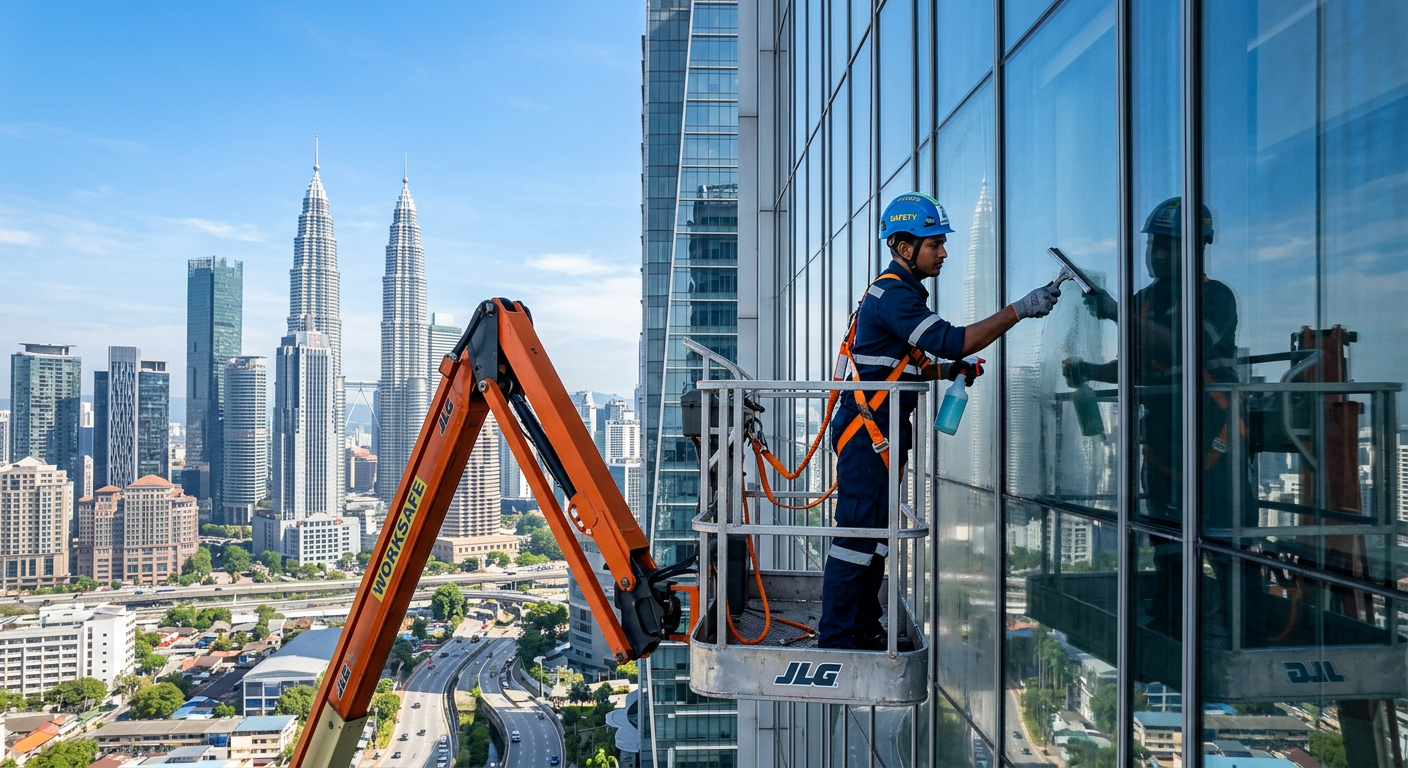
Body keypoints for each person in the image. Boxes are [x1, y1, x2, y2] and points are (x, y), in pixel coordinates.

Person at [818, 192, 1062, 650]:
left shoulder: (900, 294)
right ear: (905, 246)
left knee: (877, 537)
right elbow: (951, 340)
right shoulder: (893, 295)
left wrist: (949, 371)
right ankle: (838, 634)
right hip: (868, 432)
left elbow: (898, 365)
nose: (944, 252)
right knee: (858, 534)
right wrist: (1019, 310)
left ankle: (862, 624)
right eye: (935, 244)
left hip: (880, 430)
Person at [1063, 197, 1243, 639]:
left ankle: (1245, 628)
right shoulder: (1143, 304)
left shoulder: (1214, 297)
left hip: (1212, 444)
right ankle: (1170, 620)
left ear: (1197, 248)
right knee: (1165, 543)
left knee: (1225, 546)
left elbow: (1184, 346)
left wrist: (1116, 312)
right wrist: (1089, 370)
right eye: (1154, 245)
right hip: (1164, 445)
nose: (1157, 254)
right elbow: (1137, 366)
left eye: (1168, 245)